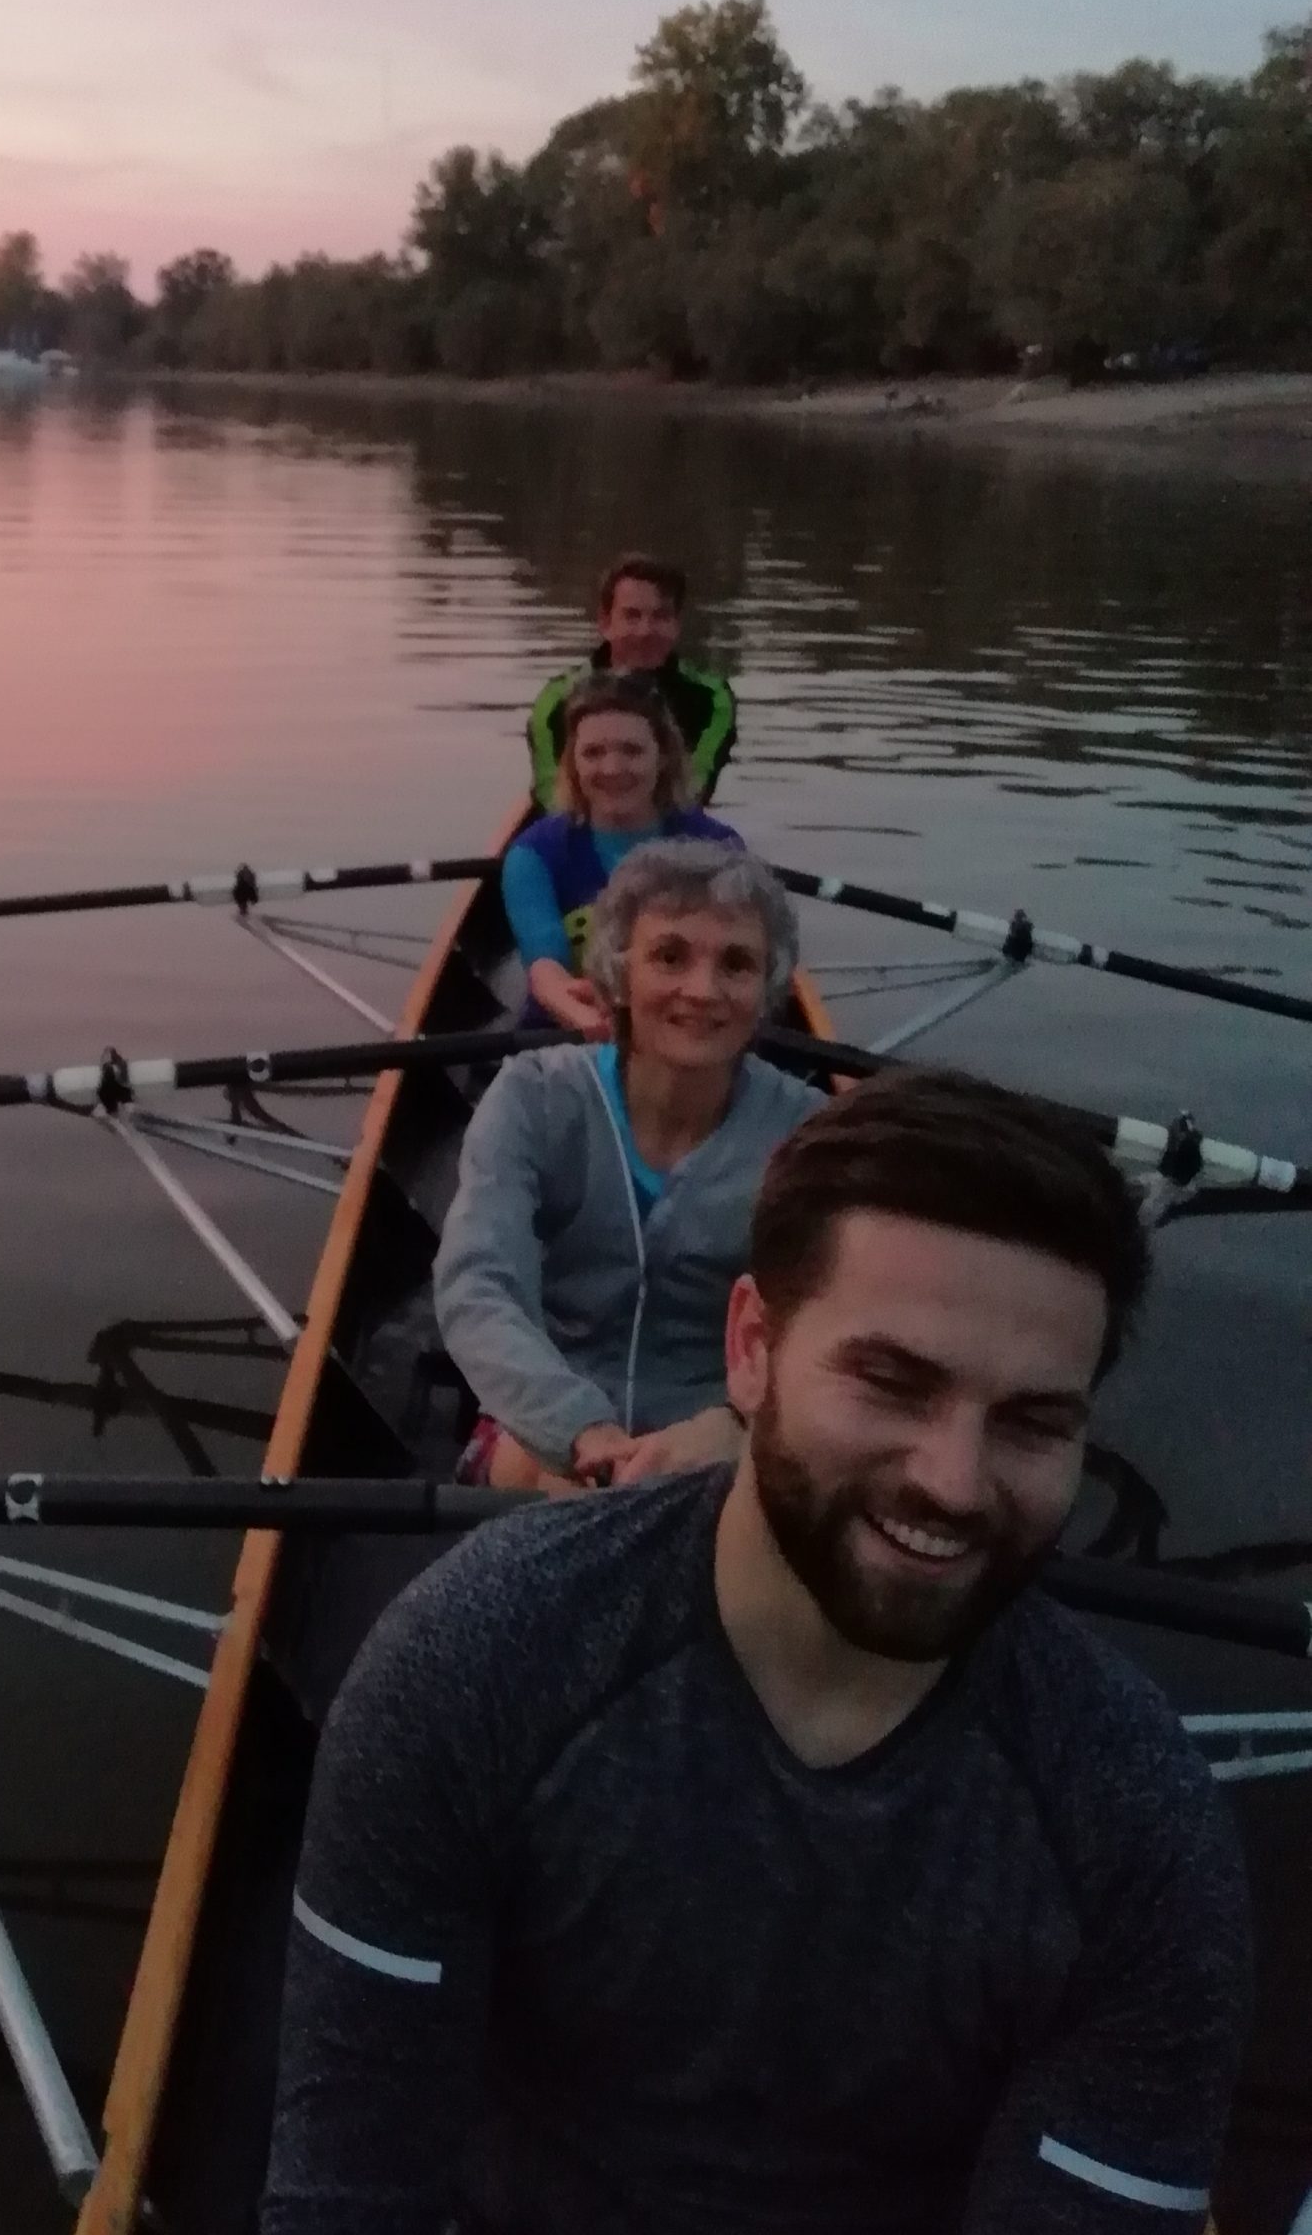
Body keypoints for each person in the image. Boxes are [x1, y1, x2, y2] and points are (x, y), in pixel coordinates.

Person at [266, 1067, 1251, 2235]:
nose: (952, 1482)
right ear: (748, 1348)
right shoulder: (475, 1664)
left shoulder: (1135, 1829)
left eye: (1034, 1421)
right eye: (892, 1381)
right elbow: (349, 2197)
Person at [440, 839, 820, 1491]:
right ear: (620, 973)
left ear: (765, 990)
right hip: (546, 1418)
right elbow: (480, 1288)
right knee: (556, 1485)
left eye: (735, 964)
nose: (702, 991)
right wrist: (583, 1431)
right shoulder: (534, 1095)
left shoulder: (807, 1134)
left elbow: (832, 1320)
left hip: (722, 1428)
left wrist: (733, 1421)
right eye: (669, 957)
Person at [504, 671, 742, 1037]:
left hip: (689, 1030)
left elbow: (735, 964)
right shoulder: (533, 855)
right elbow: (546, 970)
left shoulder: (719, 850)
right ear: (573, 763)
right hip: (567, 1034)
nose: (612, 769)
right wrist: (592, 1021)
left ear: (662, 757)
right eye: (593, 753)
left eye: (631, 751)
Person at [527, 550, 737, 810]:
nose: (646, 631)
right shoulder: (556, 698)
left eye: (661, 617)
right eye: (632, 616)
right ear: (605, 623)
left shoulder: (712, 698)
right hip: (570, 827)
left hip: (666, 829)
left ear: (677, 624)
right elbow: (552, 796)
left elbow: (692, 791)